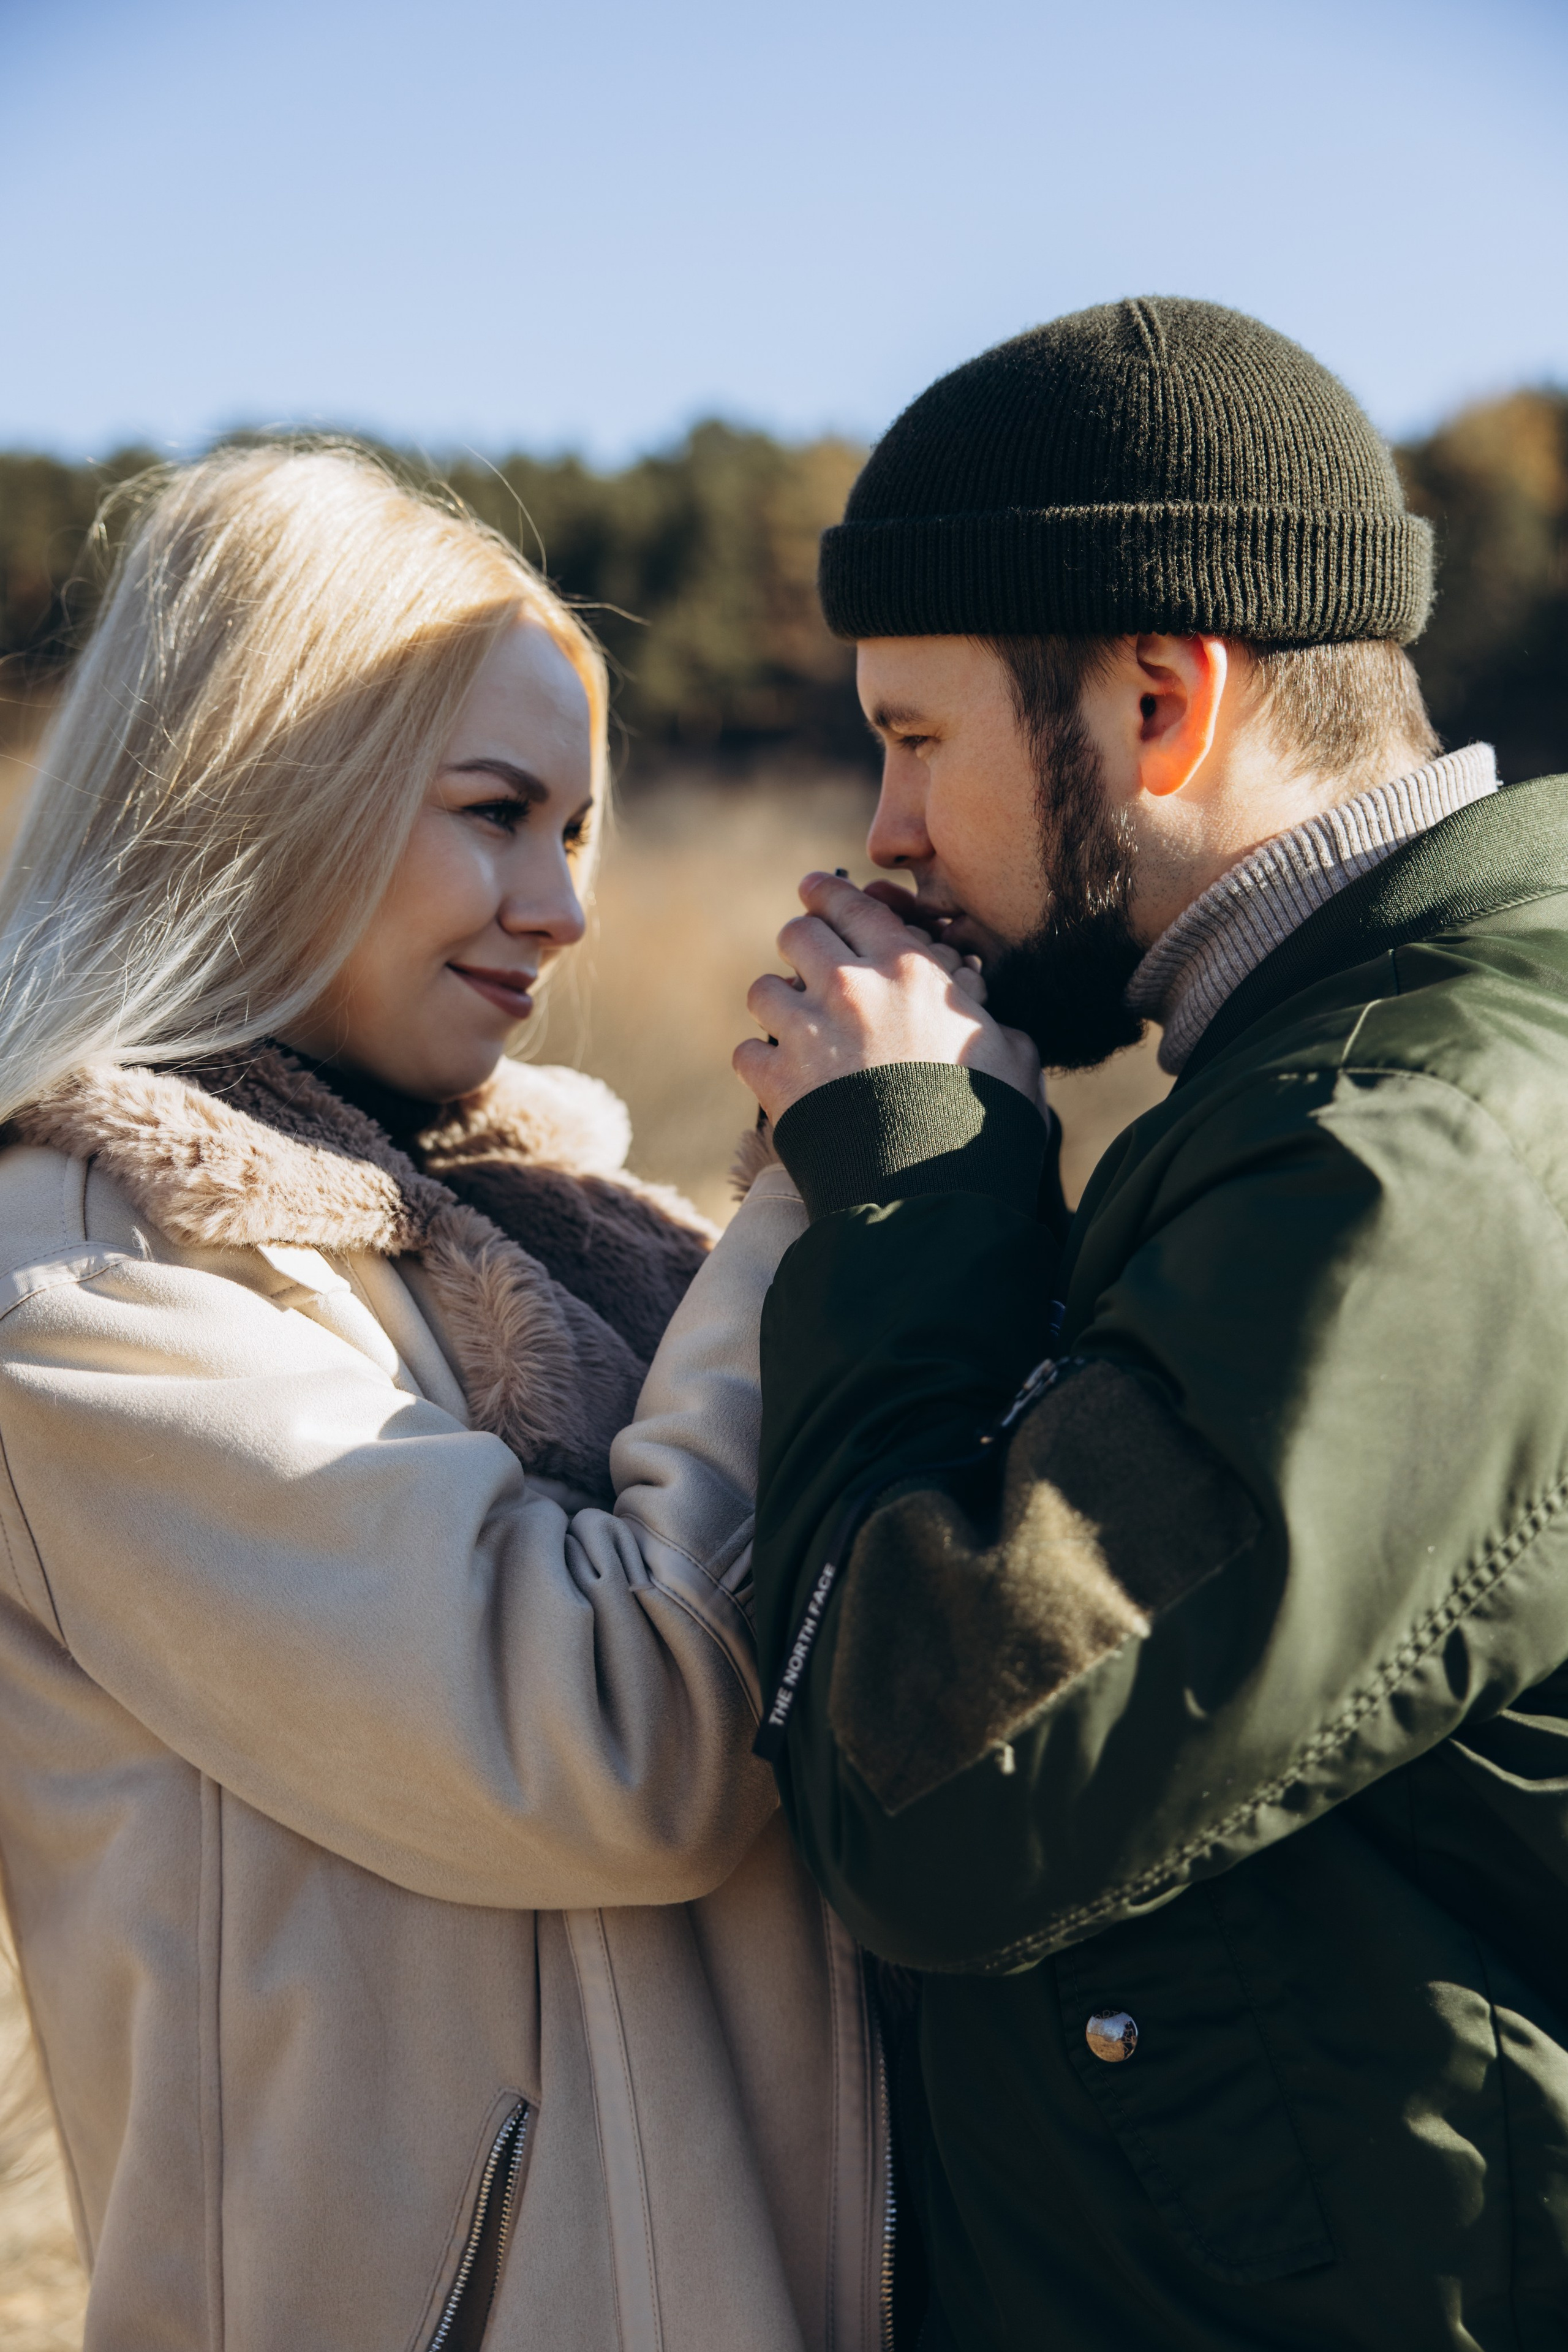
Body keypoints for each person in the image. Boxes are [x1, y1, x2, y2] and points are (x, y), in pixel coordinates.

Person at [736, 296, 1568, 2350]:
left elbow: (943, 1790)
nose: (890, 834)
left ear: (1164, 705)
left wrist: (913, 1186)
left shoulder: (1405, 1163)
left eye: (920, 738)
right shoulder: (1342, 1091)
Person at [0, 443, 894, 2352]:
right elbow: (615, 1746)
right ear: (262, 789)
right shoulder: (88, 1277)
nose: (559, 909)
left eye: (576, 831)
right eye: (498, 813)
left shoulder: (561, 1234)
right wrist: (816, 1206)